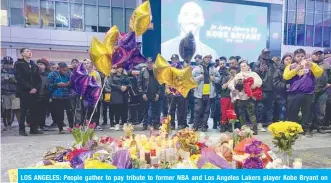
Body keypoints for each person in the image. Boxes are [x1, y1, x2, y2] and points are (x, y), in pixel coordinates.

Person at [283, 49, 323, 137]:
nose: (300, 58)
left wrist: (311, 65)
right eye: (298, 56)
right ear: (294, 57)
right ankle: (292, 130)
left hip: (307, 93)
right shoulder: (290, 66)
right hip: (294, 94)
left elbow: (319, 73)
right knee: (292, 113)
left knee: (307, 112)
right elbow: (286, 76)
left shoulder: (311, 65)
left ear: (305, 56)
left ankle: (307, 129)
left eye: (302, 56)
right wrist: (296, 69)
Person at [228, 61, 263, 135]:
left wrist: (252, 85)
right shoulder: (238, 75)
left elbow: (259, 82)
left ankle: (254, 129)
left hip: (249, 97)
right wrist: (235, 89)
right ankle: (243, 128)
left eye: (244, 66)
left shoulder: (253, 74)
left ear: (248, 66)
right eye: (241, 66)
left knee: (252, 113)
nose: (243, 67)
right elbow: (231, 84)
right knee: (241, 114)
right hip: (240, 98)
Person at [15, 48, 42, 136]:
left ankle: (33, 129)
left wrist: (36, 89)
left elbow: (39, 79)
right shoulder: (18, 64)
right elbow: (19, 78)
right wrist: (29, 88)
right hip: (24, 91)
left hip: (35, 92)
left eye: (30, 51)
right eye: (27, 51)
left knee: (35, 110)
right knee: (23, 111)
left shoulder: (34, 65)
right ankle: (22, 130)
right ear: (22, 54)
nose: (29, 52)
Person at [192, 55, 221, 132]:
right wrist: (199, 78)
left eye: (210, 58)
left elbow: (219, 79)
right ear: (203, 58)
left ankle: (204, 125)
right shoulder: (197, 68)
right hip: (199, 92)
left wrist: (214, 79)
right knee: (198, 110)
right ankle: (195, 125)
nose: (208, 59)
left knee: (207, 111)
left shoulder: (213, 69)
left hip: (209, 93)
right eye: (207, 57)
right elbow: (190, 80)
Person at [254, 48, 277, 132]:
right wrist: (260, 70)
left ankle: (270, 123)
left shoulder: (272, 63)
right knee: (260, 107)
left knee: (270, 107)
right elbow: (253, 74)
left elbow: (276, 73)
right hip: (261, 88)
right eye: (265, 53)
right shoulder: (257, 63)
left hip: (271, 88)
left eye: (268, 53)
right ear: (262, 53)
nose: (267, 55)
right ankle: (259, 123)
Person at [48, 62, 74, 133]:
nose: (65, 72)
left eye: (66, 70)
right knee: (59, 113)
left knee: (70, 112)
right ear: (58, 69)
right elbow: (49, 85)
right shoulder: (52, 74)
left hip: (67, 96)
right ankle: (60, 128)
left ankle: (72, 127)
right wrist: (57, 84)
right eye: (63, 70)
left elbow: (73, 84)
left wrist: (69, 83)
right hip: (56, 97)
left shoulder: (69, 74)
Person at [138, 59, 162, 130]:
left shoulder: (157, 72)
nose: (150, 64)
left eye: (151, 63)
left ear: (153, 63)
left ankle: (155, 124)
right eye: (148, 63)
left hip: (155, 94)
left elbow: (160, 84)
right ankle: (145, 125)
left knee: (156, 110)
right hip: (146, 94)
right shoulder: (142, 72)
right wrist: (143, 94)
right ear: (146, 63)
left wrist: (158, 94)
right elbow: (139, 84)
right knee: (145, 110)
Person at [167, 54, 188, 130]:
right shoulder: (169, 69)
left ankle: (180, 124)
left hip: (180, 93)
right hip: (172, 93)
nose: (174, 61)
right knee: (171, 109)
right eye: (173, 59)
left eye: (175, 59)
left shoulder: (182, 68)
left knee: (180, 110)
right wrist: (168, 91)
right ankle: (172, 124)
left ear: (178, 60)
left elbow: (185, 80)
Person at [106, 65, 130, 131]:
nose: (120, 69)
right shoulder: (112, 76)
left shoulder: (125, 76)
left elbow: (129, 84)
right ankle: (116, 124)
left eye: (121, 67)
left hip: (124, 94)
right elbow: (110, 84)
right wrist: (120, 87)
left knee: (124, 109)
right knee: (117, 110)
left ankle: (124, 123)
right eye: (119, 67)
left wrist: (126, 87)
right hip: (116, 95)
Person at [311, 50, 330, 134]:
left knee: (321, 110)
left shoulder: (326, 64)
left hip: (323, 90)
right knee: (310, 109)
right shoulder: (308, 63)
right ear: (312, 55)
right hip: (310, 90)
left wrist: (329, 83)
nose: (318, 56)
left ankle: (320, 126)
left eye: (319, 54)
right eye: (316, 54)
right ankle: (309, 127)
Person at [82, 59, 102, 130]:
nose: (86, 65)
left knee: (95, 110)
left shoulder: (96, 73)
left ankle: (96, 124)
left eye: (87, 63)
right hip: (85, 96)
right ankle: (87, 124)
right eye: (85, 64)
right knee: (86, 110)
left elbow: (99, 85)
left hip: (94, 95)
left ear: (91, 64)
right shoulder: (83, 73)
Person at [1, 56, 20, 131]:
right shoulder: (1, 71)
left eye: (9, 64)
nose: (8, 66)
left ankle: (20, 124)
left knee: (17, 109)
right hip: (5, 93)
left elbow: (20, 82)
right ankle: (8, 124)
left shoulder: (16, 72)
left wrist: (13, 80)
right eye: (6, 64)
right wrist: (3, 80)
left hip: (14, 93)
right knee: (7, 109)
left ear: (12, 64)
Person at [273, 54, 292, 121]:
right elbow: (275, 82)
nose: (289, 61)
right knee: (282, 112)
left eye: (290, 59)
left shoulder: (295, 69)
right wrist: (284, 85)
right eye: (286, 60)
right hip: (282, 95)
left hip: (292, 94)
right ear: (283, 61)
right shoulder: (279, 70)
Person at [219, 65, 237, 132]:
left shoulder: (238, 79)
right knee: (224, 112)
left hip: (233, 98)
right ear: (229, 72)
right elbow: (223, 87)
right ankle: (223, 125)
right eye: (231, 72)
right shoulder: (225, 78)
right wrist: (230, 79)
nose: (232, 73)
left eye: (234, 72)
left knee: (231, 112)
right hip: (225, 97)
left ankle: (230, 126)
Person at [36, 58, 51, 130]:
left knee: (44, 111)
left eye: (41, 64)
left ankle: (42, 124)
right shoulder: (35, 73)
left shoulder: (49, 75)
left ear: (45, 66)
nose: (39, 66)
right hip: (36, 95)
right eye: (38, 64)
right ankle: (37, 125)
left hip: (45, 95)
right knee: (37, 111)